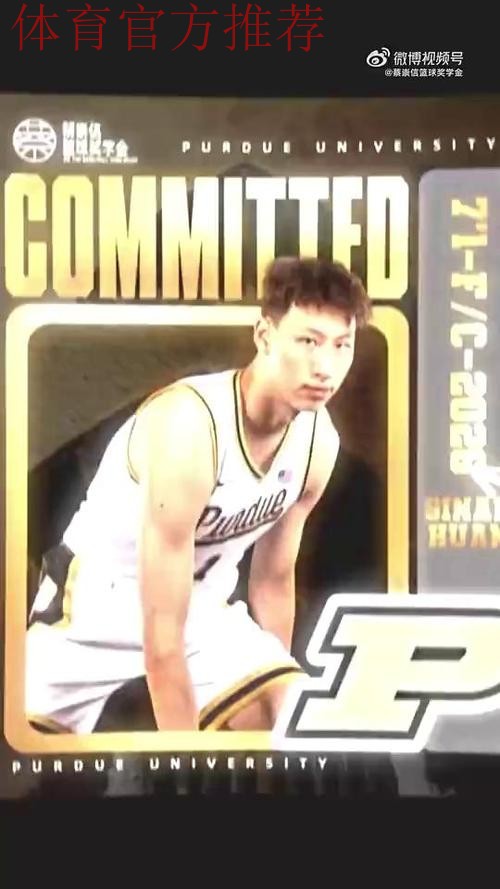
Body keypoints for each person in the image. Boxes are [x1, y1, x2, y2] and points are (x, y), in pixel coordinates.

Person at [26, 256, 371, 735]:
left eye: (341, 345)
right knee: (27, 758)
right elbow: (161, 636)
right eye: (308, 342)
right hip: (94, 611)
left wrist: (270, 677)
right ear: (264, 336)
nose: (325, 367)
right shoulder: (189, 429)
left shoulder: (318, 443)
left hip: (202, 611)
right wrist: (187, 761)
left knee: (288, 715)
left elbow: (272, 581)